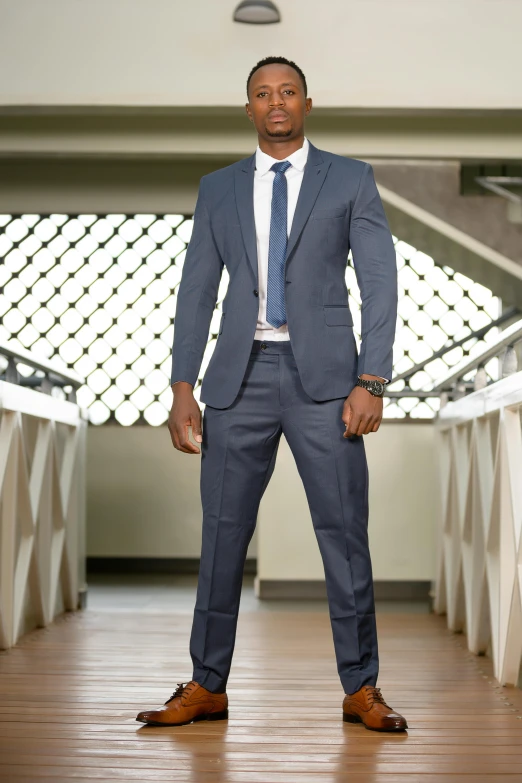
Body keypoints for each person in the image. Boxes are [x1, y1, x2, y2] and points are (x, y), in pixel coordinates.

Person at [136, 56, 407, 732]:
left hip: (327, 385)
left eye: (287, 92)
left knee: (344, 533)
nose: (276, 102)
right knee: (223, 535)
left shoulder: (350, 179)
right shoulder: (218, 188)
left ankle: (362, 685)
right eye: (263, 94)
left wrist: (372, 379)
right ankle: (206, 683)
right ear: (248, 108)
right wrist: (181, 385)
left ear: (307, 104)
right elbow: (196, 290)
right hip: (238, 378)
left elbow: (380, 281)